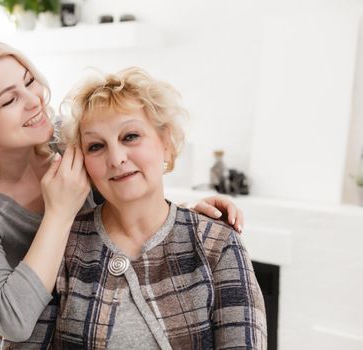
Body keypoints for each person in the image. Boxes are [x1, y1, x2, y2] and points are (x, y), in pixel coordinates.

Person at [0, 38, 245, 345]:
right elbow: (12, 319)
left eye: (29, 82)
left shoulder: (64, 141)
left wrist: (181, 220)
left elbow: (123, 189)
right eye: (9, 99)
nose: (34, 101)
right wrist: (59, 213)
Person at [48, 67, 267, 349]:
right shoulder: (65, 244)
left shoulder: (218, 244)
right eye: (96, 146)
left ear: (165, 142)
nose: (116, 158)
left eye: (130, 137)